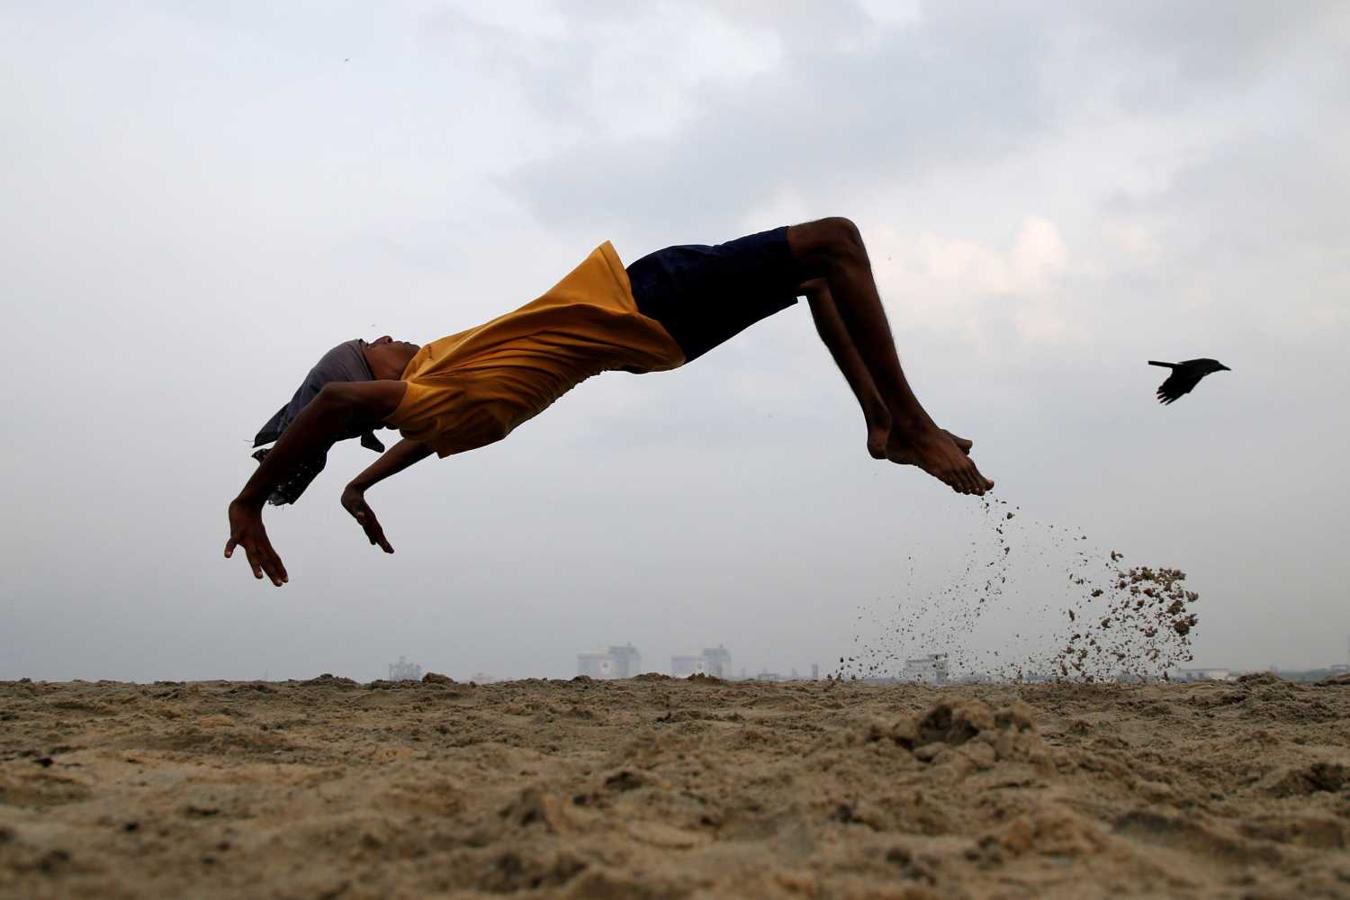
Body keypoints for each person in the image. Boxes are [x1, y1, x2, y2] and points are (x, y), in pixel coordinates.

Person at [225, 217, 994, 586]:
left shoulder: (443, 405)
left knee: (817, 278)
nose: (393, 334)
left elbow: (412, 438)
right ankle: (913, 426)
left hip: (651, 331)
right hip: (645, 304)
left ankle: (882, 422)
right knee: (836, 243)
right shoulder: (428, 382)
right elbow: (331, 406)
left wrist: (361, 484)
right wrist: (250, 504)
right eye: (376, 342)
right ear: (371, 377)